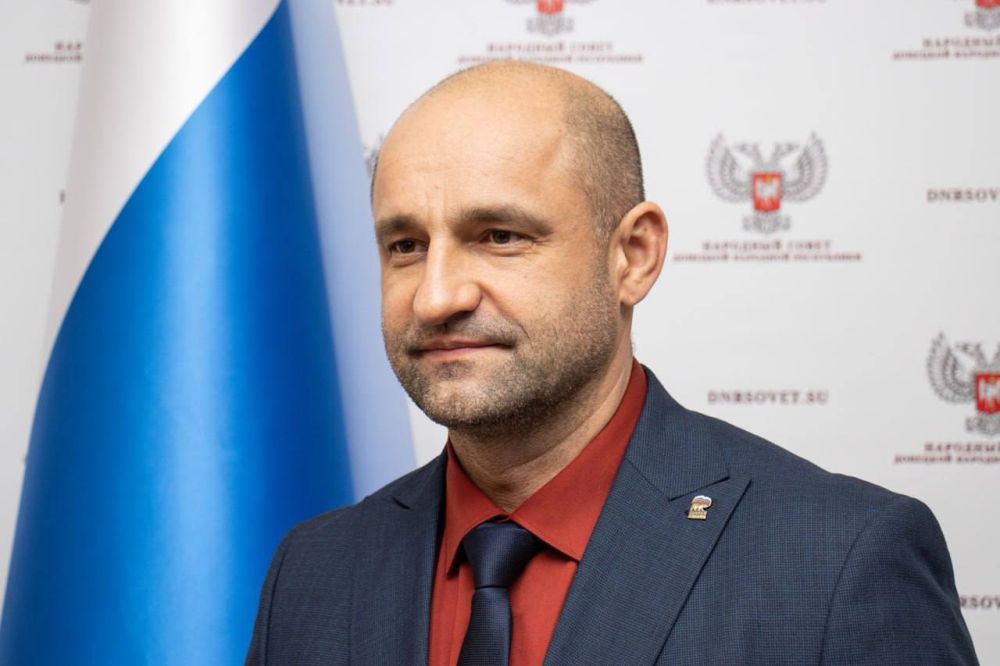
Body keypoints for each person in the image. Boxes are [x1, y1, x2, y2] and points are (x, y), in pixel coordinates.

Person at [246, 62, 978, 665]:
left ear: (633, 256)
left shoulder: (838, 562)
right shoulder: (313, 572)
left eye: (499, 236)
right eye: (406, 246)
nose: (436, 297)